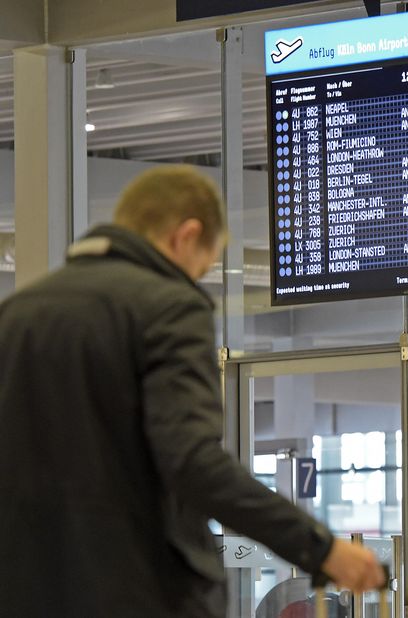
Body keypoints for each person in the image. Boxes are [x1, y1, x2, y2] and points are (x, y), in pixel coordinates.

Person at [0, 165, 385, 616]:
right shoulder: (167, 306)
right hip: (139, 592)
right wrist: (319, 548)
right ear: (186, 236)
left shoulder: (14, 315)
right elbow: (191, 462)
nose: (195, 279)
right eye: (201, 265)